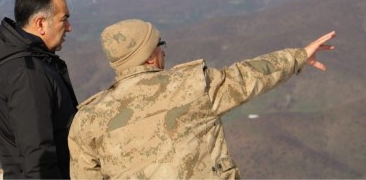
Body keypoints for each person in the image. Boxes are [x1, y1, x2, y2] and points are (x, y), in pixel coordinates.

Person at [68, 19, 336, 179]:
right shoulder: (189, 86)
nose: (164, 52)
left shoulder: (86, 121)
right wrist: (299, 56)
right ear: (149, 56)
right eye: (160, 45)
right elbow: (247, 77)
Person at [0, 0, 78, 179]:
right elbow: (37, 156)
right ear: (40, 23)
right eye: (63, 19)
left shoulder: (30, 66)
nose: (69, 27)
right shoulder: (28, 75)